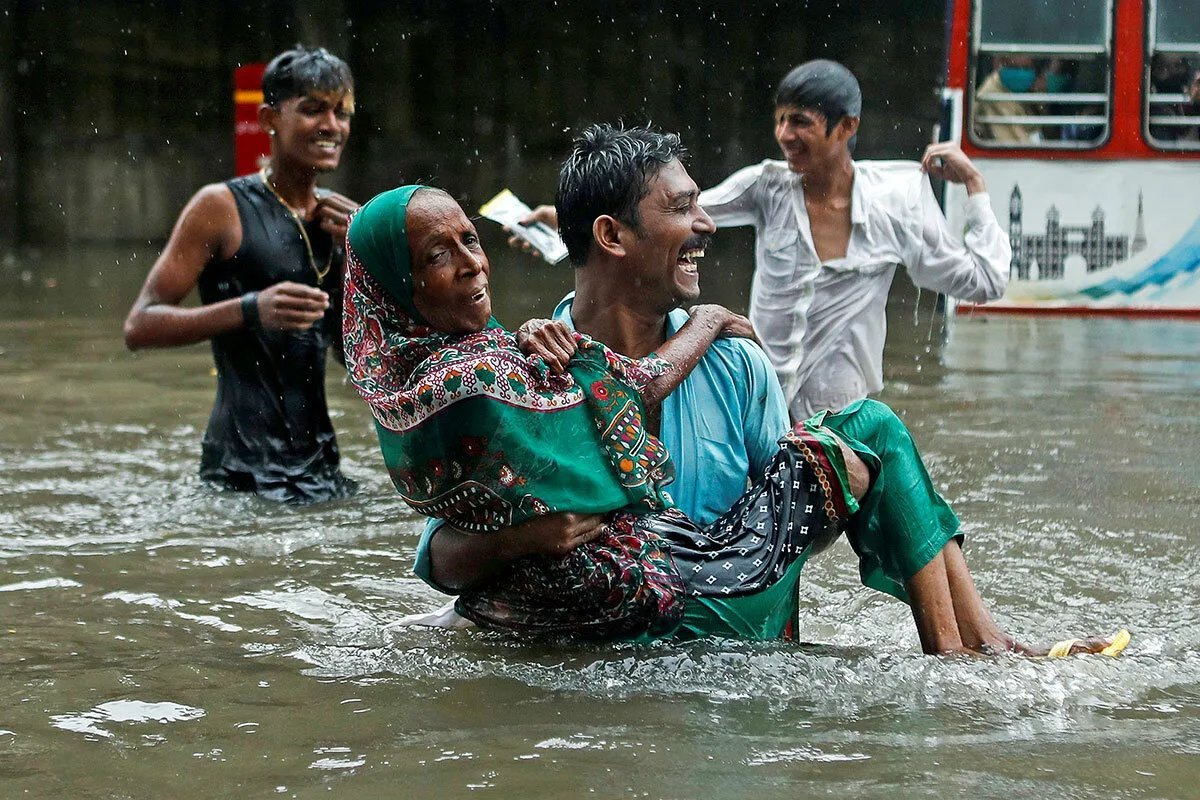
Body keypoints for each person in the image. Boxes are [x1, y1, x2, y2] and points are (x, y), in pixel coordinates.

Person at [413, 124, 1123, 657]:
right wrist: (528, 538)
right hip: (604, 649)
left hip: (728, 644)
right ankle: (980, 657)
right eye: (683, 208)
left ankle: (980, 654)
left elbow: (785, 523)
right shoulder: (524, 372)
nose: (707, 225)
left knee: (869, 435)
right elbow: (440, 557)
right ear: (612, 235)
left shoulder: (737, 365)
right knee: (873, 431)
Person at [342, 182, 857, 642]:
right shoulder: (477, 377)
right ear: (611, 237)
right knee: (865, 436)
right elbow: (631, 390)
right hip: (644, 619)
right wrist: (709, 320)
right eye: (437, 255)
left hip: (631, 623)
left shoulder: (415, 383)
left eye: (471, 239)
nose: (472, 262)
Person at [506, 61, 1011, 420]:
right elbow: (668, 221)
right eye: (780, 119)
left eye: (801, 122)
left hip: (841, 420)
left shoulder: (896, 203)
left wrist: (975, 190)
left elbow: (983, 280)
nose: (784, 134)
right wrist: (566, 224)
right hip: (762, 408)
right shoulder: (768, 186)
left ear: (847, 127)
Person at [123, 46, 360, 503]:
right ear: (269, 119)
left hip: (323, 469)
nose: (332, 126)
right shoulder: (220, 207)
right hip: (239, 475)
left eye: (342, 112)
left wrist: (358, 258)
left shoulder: (342, 219)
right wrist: (251, 309)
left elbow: (352, 359)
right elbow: (140, 326)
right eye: (313, 110)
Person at [973, 55, 1042, 144]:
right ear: (999, 64)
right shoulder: (993, 95)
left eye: (1026, 68)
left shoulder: (1024, 92)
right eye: (1014, 68)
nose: (1021, 73)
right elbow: (1016, 147)